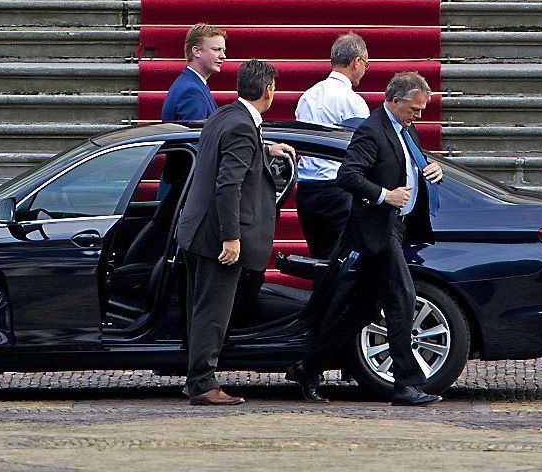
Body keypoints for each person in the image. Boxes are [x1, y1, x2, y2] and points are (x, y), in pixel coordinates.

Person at [286, 72, 444, 406]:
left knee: (362, 307)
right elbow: (347, 175)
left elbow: (411, 160)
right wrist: (385, 195)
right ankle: (406, 384)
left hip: (397, 228)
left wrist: (433, 168)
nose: (419, 115)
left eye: (421, 109)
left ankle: (307, 367)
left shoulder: (404, 127)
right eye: (414, 109)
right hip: (377, 230)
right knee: (402, 297)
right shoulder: (371, 131)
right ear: (394, 100)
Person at [175, 60, 296, 406]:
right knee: (213, 312)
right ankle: (202, 382)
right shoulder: (243, 127)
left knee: (200, 308)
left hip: (195, 229)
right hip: (217, 235)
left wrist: (265, 149)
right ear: (269, 89)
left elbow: (231, 154)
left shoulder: (225, 116)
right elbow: (228, 184)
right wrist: (231, 238)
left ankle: (196, 376)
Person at [295, 32, 371, 259]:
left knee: (318, 259)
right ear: (356, 61)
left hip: (307, 190)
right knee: (341, 264)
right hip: (336, 190)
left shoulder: (307, 96)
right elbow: (363, 148)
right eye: (366, 63)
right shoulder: (352, 100)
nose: (366, 69)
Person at [161, 23, 226, 122]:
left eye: (223, 50)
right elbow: (195, 136)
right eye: (216, 49)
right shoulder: (191, 91)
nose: (223, 56)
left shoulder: (192, 84)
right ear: (196, 51)